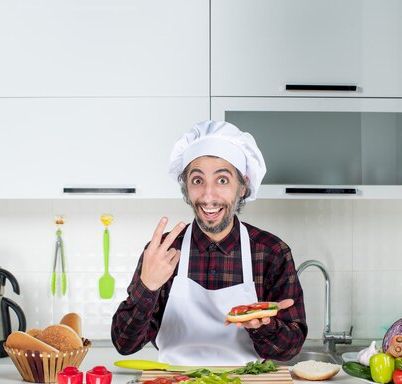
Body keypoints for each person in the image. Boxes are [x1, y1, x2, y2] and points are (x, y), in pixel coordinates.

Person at [111, 120, 307, 366]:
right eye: (197, 180)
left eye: (222, 180)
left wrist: (263, 326)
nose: (208, 196)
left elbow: (290, 350)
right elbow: (124, 344)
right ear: (186, 187)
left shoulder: (271, 253)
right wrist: (147, 288)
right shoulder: (163, 252)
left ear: (243, 186)